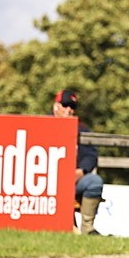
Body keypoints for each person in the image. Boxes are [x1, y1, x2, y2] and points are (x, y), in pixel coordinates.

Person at [53, 89, 104, 235]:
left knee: (94, 181)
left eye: (72, 107)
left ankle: (87, 229)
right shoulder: (42, 125)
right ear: (56, 106)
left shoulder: (81, 129)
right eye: (65, 105)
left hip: (73, 180)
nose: (69, 110)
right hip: (46, 183)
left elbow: (91, 155)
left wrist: (81, 171)